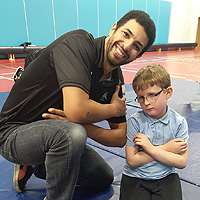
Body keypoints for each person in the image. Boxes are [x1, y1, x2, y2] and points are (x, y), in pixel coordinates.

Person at [0, 10, 156, 200]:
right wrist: (113, 109)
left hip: (52, 135)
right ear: (114, 28)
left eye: (136, 46)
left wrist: (82, 124)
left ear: (138, 56)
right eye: (126, 34)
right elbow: (76, 110)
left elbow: (120, 137)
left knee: (102, 176)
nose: (127, 46)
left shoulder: (116, 81)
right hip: (13, 132)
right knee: (71, 134)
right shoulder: (78, 43)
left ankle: (36, 164)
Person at [120, 64, 189, 200]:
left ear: (167, 92)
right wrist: (167, 148)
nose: (146, 102)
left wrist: (149, 148)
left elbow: (181, 162)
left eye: (151, 95)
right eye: (141, 97)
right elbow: (132, 161)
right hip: (135, 177)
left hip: (166, 177)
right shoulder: (135, 121)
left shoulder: (179, 122)